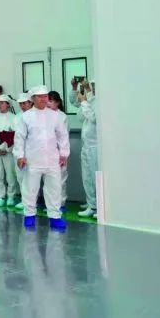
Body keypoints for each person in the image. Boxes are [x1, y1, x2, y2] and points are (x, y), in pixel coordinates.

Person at [15, 85, 70, 230]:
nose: (43, 99)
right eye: (39, 97)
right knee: (30, 188)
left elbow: (62, 135)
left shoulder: (55, 116)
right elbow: (19, 138)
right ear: (33, 99)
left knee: (54, 188)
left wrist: (64, 153)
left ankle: (55, 216)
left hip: (52, 159)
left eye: (45, 96)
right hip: (32, 159)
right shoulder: (25, 117)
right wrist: (20, 156)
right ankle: (29, 215)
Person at [69, 79, 98, 218]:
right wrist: (76, 89)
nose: (92, 88)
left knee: (95, 177)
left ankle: (99, 207)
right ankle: (92, 204)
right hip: (86, 145)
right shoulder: (90, 99)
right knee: (87, 177)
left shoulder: (100, 101)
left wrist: (85, 102)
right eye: (91, 86)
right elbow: (78, 110)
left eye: (93, 86)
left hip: (95, 146)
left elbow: (93, 118)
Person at [47, 91, 69, 211]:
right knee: (49, 180)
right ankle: (51, 204)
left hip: (59, 152)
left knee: (60, 179)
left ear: (58, 103)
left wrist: (63, 155)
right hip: (47, 152)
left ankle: (61, 203)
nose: (48, 103)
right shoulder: (45, 115)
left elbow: (63, 137)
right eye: (47, 101)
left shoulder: (62, 117)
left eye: (51, 101)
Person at [13, 92, 33, 210]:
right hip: (19, 151)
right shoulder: (17, 117)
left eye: (24, 103)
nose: (22, 106)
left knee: (31, 178)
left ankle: (31, 201)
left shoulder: (34, 115)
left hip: (31, 151)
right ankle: (24, 200)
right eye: (20, 104)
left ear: (30, 103)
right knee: (20, 176)